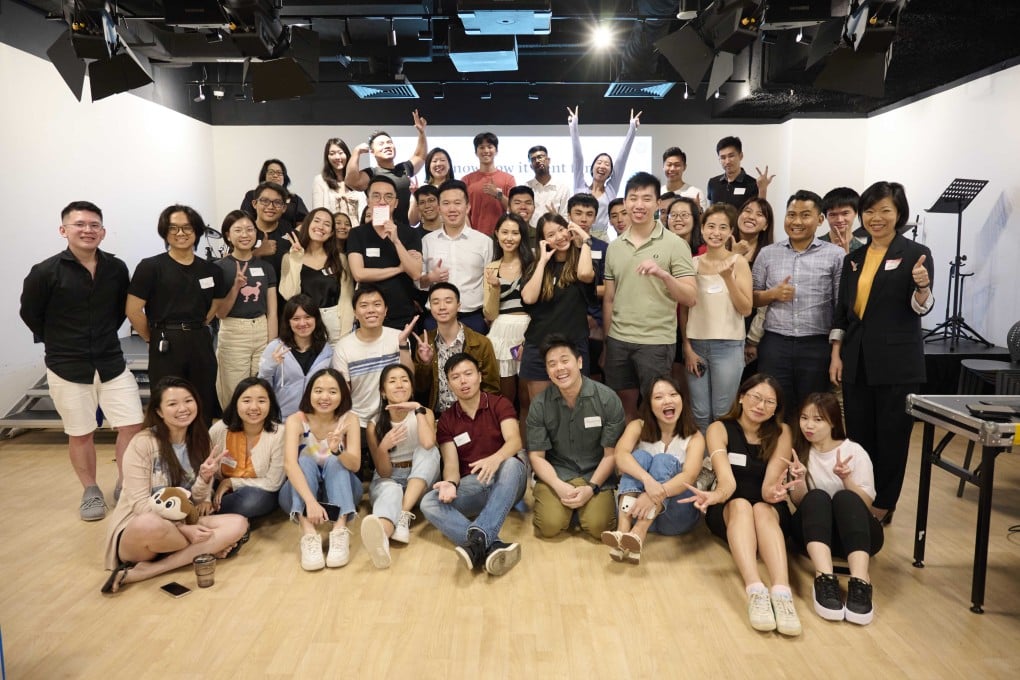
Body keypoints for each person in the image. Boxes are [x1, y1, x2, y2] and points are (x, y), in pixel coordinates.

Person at [20, 200, 144, 520]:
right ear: (64, 230)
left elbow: (121, 310)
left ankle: (125, 483)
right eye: (80, 224)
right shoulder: (45, 272)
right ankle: (90, 490)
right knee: (81, 432)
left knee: (132, 424)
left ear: (102, 232)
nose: (87, 230)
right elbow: (31, 314)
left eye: (94, 225)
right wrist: (61, 341)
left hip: (111, 361)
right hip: (67, 364)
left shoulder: (116, 269)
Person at [829, 181, 933, 523]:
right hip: (856, 362)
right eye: (870, 211)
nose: (876, 218)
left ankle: (883, 505)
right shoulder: (855, 258)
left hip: (896, 365)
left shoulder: (915, 254)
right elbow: (844, 313)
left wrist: (923, 287)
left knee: (892, 438)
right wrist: (836, 354)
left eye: (885, 210)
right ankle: (861, 496)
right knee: (858, 437)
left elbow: (922, 308)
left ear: (898, 213)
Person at [100, 377, 248, 594]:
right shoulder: (143, 443)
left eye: (188, 401)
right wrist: (185, 530)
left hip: (179, 530)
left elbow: (193, 503)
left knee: (238, 523)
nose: (183, 408)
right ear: (159, 411)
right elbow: (140, 506)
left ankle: (148, 571)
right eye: (172, 404)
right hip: (142, 533)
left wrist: (204, 479)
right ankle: (201, 550)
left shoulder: (201, 441)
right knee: (149, 522)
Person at [681, 374, 802, 636]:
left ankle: (782, 593)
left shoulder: (782, 432)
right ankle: (755, 590)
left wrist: (776, 490)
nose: (761, 406)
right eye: (756, 398)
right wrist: (715, 495)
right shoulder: (719, 428)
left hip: (767, 507)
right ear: (741, 397)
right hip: (727, 505)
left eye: (770, 402)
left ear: (776, 408)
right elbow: (728, 483)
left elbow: (769, 488)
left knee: (759, 507)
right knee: (742, 506)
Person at [420, 353, 528, 575]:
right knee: (428, 502)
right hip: (474, 484)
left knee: (512, 465)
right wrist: (450, 482)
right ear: (448, 384)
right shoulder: (448, 420)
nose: (463, 381)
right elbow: (451, 463)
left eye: (468, 374)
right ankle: (488, 544)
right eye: (456, 377)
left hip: (508, 481)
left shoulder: (499, 404)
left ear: (479, 376)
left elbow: (515, 441)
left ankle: (479, 540)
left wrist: (495, 459)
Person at [603, 172, 697, 419]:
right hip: (619, 339)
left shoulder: (675, 244)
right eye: (633, 198)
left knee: (656, 404)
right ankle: (629, 453)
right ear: (625, 203)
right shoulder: (615, 247)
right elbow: (610, 299)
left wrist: (665, 275)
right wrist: (607, 339)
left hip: (656, 340)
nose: (639, 205)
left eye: (646, 198)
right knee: (623, 403)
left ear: (657, 204)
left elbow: (690, 297)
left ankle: (654, 452)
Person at [126, 205, 229, 425]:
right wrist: (150, 337)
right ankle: (167, 455)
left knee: (203, 401)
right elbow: (133, 310)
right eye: (173, 228)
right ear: (164, 231)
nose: (180, 233)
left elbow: (216, 305)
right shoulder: (151, 267)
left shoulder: (212, 270)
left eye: (186, 227)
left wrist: (198, 325)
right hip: (165, 343)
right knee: (167, 401)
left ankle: (201, 453)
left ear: (197, 231)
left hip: (200, 340)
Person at [751, 190, 844, 424]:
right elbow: (750, 299)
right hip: (775, 343)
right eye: (791, 214)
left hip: (816, 345)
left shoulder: (835, 255)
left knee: (812, 410)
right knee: (773, 407)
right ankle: (775, 458)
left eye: (805, 215)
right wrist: (772, 295)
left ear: (820, 220)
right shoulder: (768, 253)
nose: (797, 221)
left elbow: (841, 307)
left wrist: (836, 351)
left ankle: (806, 460)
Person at [789, 392, 882, 624]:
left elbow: (865, 505)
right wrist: (799, 480)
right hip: (815, 538)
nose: (808, 425)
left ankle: (860, 582)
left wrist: (847, 480)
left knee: (845, 498)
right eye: (804, 418)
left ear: (833, 422)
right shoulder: (799, 453)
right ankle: (824, 579)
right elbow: (801, 503)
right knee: (817, 498)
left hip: (855, 536)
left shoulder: (854, 452)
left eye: (818, 419)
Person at [527, 335, 625, 539]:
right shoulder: (539, 404)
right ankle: (569, 506)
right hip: (558, 473)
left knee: (600, 528)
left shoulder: (607, 399)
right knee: (549, 527)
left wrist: (590, 489)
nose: (559, 368)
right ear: (547, 371)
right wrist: (557, 485)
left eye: (565, 360)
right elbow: (536, 456)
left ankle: (580, 506)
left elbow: (611, 455)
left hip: (595, 474)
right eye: (552, 364)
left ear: (579, 362)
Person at [602, 375, 703, 564]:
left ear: (682, 399)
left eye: (673, 394)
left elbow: (689, 476)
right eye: (658, 397)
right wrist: (648, 482)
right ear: (648, 403)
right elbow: (620, 456)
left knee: (663, 461)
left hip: (675, 517)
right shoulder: (637, 426)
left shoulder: (695, 436)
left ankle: (639, 532)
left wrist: (654, 494)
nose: (667, 401)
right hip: (634, 510)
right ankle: (623, 532)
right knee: (639, 458)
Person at [279, 368, 362, 571]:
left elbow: (355, 465)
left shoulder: (349, 419)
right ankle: (308, 534)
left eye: (333, 391)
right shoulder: (296, 420)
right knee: (304, 459)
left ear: (342, 395)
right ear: (309, 393)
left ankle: (339, 531)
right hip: (301, 493)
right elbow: (289, 465)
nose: (325, 397)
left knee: (336, 460)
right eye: (318, 391)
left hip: (344, 489)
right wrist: (310, 501)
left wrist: (338, 451)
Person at [680, 204, 753, 431]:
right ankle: (703, 463)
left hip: (728, 347)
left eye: (723, 227)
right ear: (701, 229)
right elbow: (684, 309)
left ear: (731, 231)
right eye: (710, 226)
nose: (716, 232)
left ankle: (720, 462)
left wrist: (728, 279)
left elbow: (746, 308)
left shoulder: (738, 263)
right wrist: (687, 347)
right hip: (697, 347)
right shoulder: (691, 264)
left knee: (723, 412)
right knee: (700, 412)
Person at [361, 364, 440, 568]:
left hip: (421, 478)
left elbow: (429, 443)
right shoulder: (374, 424)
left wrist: (418, 409)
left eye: (404, 380)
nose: (399, 385)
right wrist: (384, 447)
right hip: (390, 475)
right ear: (382, 391)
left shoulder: (424, 413)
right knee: (391, 489)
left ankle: (403, 514)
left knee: (427, 449)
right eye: (392, 381)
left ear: (412, 389)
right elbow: (384, 472)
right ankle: (383, 539)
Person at [520, 213, 595, 401]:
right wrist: (542, 261)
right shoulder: (536, 266)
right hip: (539, 345)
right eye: (551, 234)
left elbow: (585, 274)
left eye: (561, 230)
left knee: (576, 406)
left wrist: (585, 240)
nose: (559, 237)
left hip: (573, 345)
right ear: (543, 241)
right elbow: (529, 298)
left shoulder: (581, 260)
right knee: (540, 408)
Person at [214, 210, 278, 410]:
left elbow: (272, 311)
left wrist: (272, 345)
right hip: (234, 332)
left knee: (261, 389)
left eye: (249, 229)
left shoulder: (266, 267)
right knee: (234, 393)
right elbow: (219, 314)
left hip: (261, 328)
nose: (245, 235)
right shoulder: (220, 267)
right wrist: (236, 287)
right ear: (227, 235)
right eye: (238, 230)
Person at [332, 285, 417, 432]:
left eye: (377, 305)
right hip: (360, 421)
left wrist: (403, 345)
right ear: (355, 313)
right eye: (364, 306)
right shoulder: (343, 347)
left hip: (396, 416)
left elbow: (409, 376)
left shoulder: (398, 337)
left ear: (385, 310)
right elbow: (343, 392)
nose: (371, 310)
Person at [346, 175, 424, 331]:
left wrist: (396, 241)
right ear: (368, 202)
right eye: (376, 196)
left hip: (402, 313)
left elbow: (415, 272)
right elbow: (359, 274)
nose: (382, 201)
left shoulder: (409, 234)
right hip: (370, 316)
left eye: (388, 197)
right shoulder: (357, 234)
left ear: (395, 203)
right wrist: (399, 269)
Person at [412, 282, 500, 414]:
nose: (442, 307)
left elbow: (492, 388)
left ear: (458, 306)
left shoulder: (481, 343)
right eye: (436, 302)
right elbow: (420, 387)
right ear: (430, 307)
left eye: (448, 301)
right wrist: (425, 363)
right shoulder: (425, 342)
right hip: (437, 416)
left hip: (472, 414)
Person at [419, 179, 493, 333]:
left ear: (468, 207)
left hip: (473, 319)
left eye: (457, 203)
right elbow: (419, 283)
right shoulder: (427, 241)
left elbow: (490, 284)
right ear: (439, 208)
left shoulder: (484, 242)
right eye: (446, 203)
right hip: (435, 319)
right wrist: (430, 278)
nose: (452, 209)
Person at [208, 377, 286, 520]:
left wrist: (231, 482)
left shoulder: (279, 433)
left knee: (252, 501)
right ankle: (223, 517)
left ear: (271, 404)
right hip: (219, 487)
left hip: (261, 490)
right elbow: (205, 470)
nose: (254, 407)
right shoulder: (219, 429)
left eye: (261, 401)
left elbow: (273, 483)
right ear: (236, 403)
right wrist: (206, 497)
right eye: (246, 400)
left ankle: (210, 516)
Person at [279, 208, 354, 344]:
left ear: (331, 232)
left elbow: (347, 297)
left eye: (327, 224)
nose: (320, 226)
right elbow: (289, 295)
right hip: (304, 325)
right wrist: (296, 260)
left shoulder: (340, 259)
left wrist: (345, 335)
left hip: (335, 325)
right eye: (317, 221)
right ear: (307, 224)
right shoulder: (289, 258)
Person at [483, 213, 534, 404]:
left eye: (515, 233)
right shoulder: (491, 267)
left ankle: (527, 433)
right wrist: (495, 288)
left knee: (527, 396)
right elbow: (489, 313)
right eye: (504, 232)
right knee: (505, 397)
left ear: (522, 236)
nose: (509, 238)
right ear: (497, 234)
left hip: (529, 330)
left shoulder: (533, 264)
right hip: (501, 331)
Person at [345, 110, 429, 226]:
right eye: (381, 144)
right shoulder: (371, 173)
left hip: (404, 231)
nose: (387, 146)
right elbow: (351, 181)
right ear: (372, 151)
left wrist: (421, 132)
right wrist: (356, 152)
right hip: (380, 230)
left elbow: (420, 155)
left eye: (389, 142)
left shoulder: (403, 168)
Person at [568, 106, 640, 240]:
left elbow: (621, 160)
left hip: (602, 238)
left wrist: (632, 130)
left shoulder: (611, 190)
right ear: (592, 168)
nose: (602, 166)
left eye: (607, 164)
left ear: (610, 172)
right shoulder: (580, 187)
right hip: (577, 235)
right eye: (599, 162)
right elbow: (578, 157)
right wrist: (574, 127)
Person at [258, 295, 334, 419]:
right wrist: (270, 365)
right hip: (281, 422)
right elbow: (261, 387)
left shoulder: (327, 351)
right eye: (296, 318)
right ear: (288, 321)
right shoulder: (275, 348)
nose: (302, 323)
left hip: (315, 422)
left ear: (316, 319)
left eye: (308, 317)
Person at [735, 198, 775, 371]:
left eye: (759, 214)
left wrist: (753, 340)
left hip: (752, 330)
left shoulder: (769, 255)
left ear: (766, 225)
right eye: (747, 210)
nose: (751, 216)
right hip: (720, 328)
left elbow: (764, 305)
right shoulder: (721, 246)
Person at [461, 132, 517, 236]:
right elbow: (463, 212)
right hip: (474, 236)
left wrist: (498, 195)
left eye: (490, 147)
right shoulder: (466, 180)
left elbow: (514, 208)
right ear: (476, 152)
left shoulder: (508, 179)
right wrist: (470, 234)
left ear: (496, 151)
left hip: (502, 237)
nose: (486, 151)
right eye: (481, 147)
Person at [706, 136, 774, 210]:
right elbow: (710, 212)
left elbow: (760, 212)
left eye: (731, 156)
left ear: (741, 156)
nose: (727, 161)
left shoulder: (753, 184)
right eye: (723, 157)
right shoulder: (713, 183)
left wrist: (762, 189)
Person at [239, 158, 308, 228]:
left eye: (279, 173)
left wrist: (295, 234)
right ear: (264, 176)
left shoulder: (294, 199)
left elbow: (305, 222)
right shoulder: (252, 195)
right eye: (271, 172)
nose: (275, 176)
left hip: (288, 236)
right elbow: (244, 219)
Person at [249, 181, 296, 282]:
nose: (270, 207)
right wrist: (257, 253)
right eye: (264, 201)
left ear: (284, 208)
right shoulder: (243, 232)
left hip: (283, 295)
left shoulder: (292, 235)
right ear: (254, 204)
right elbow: (230, 268)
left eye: (277, 203)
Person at [312, 137, 363, 226]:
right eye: (332, 153)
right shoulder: (320, 181)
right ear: (327, 157)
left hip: (356, 233)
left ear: (347, 154)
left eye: (340, 153)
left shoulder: (357, 179)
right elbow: (318, 213)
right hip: (332, 233)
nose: (337, 157)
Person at [525, 145, 570, 227]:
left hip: (554, 233)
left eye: (540, 157)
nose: (537, 161)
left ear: (548, 160)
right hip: (530, 234)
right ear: (531, 166)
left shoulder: (562, 188)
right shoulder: (525, 188)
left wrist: (556, 218)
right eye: (533, 159)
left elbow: (566, 217)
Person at [408, 147, 454, 227]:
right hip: (427, 235)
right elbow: (412, 221)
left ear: (449, 165)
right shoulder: (421, 189)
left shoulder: (457, 188)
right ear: (428, 167)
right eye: (434, 161)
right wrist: (416, 196)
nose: (438, 164)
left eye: (442, 160)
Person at [821, 186, 866, 253]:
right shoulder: (813, 246)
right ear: (826, 216)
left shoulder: (863, 251)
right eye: (833, 214)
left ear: (856, 213)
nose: (839, 220)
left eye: (845, 213)